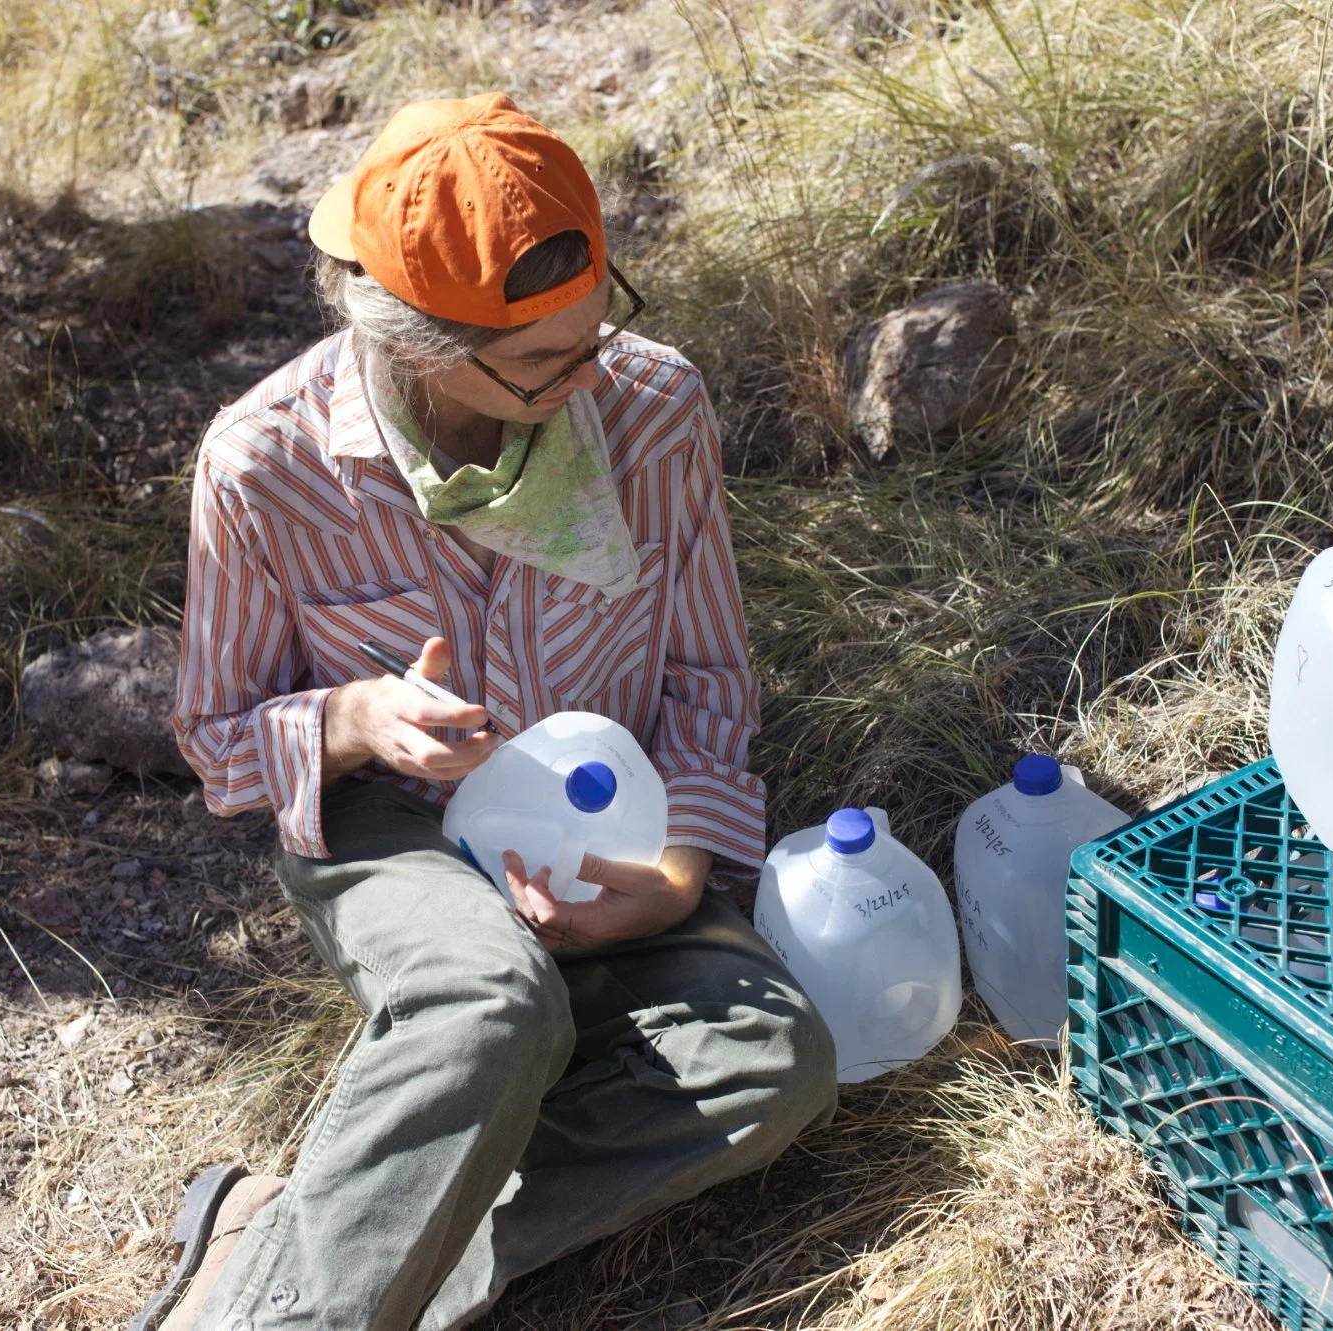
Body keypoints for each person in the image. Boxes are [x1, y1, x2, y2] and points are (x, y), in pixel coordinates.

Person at [131, 93, 837, 1331]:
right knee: (494, 1004)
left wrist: (676, 873)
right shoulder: (264, 463)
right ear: (416, 344)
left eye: (597, 326)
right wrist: (357, 717)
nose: (589, 374)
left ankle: (292, 1229)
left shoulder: (652, 405)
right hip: (393, 827)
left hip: (604, 816)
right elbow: (219, 740)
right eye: (543, 363)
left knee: (773, 1065)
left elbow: (707, 675)